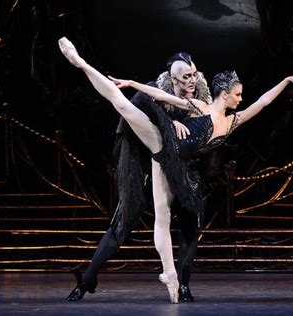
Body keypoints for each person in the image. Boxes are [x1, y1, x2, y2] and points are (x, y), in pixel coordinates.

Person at [58, 36, 293, 303]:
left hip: (175, 164)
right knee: (121, 104)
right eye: (237, 94)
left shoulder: (232, 121)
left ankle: (173, 277)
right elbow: (159, 95)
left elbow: (262, 103)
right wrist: (132, 84)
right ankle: (80, 63)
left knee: (165, 217)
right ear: (224, 94)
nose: (241, 98)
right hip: (163, 143)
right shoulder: (200, 106)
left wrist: (285, 81)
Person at [64, 46, 212, 302]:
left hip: (183, 168)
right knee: (122, 222)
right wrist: (167, 123)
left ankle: (183, 283)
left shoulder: (201, 95)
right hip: (149, 163)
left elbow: (205, 125)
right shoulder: (154, 93)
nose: (192, 81)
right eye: (186, 76)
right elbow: (132, 105)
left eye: (194, 74)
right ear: (173, 78)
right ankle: (87, 279)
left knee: (189, 224)